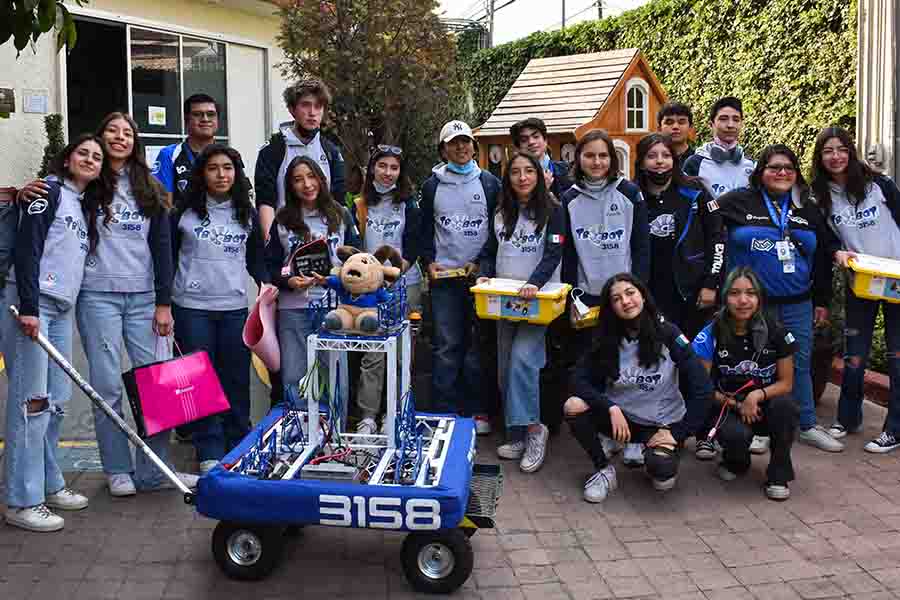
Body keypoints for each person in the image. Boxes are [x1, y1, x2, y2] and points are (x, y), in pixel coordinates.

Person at [80, 112, 197, 496]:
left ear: (135, 142)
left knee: (158, 387)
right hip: (97, 297)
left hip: (145, 299)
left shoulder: (150, 186)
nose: (119, 137)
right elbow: (54, 197)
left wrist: (164, 303)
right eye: (111, 130)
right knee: (107, 385)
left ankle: (152, 471)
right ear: (100, 138)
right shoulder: (87, 185)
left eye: (127, 132)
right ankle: (117, 469)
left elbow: (163, 249)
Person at [2, 135, 107, 532]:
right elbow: (27, 249)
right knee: (31, 403)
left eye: (96, 157)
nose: (90, 160)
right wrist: (29, 308)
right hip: (32, 305)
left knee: (56, 401)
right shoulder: (48, 190)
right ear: (67, 159)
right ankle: (20, 499)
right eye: (83, 153)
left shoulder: (83, 205)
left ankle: (48, 482)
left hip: (60, 309)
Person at [714, 143, 842, 453]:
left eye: (788, 168)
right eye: (774, 167)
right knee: (757, 364)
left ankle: (808, 424)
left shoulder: (806, 208)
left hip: (799, 301)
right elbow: (706, 221)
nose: (781, 173)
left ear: (796, 174)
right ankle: (760, 428)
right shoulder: (737, 202)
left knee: (799, 362)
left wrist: (822, 300)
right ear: (761, 173)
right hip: (754, 304)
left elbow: (826, 254)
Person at [564, 274, 711, 502]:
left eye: (630, 293)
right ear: (611, 307)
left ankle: (660, 453)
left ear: (642, 295)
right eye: (616, 298)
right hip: (622, 420)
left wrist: (677, 433)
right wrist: (610, 407)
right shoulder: (605, 337)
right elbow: (577, 379)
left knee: (662, 474)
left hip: (661, 424)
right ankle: (604, 470)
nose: (625, 301)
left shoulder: (669, 334)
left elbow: (703, 389)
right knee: (573, 405)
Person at [172, 144, 269, 474]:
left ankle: (238, 442)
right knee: (199, 383)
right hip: (190, 308)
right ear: (202, 174)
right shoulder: (183, 213)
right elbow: (167, 258)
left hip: (233, 308)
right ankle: (208, 448)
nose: (221, 174)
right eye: (213, 168)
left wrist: (266, 284)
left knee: (236, 379)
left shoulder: (247, 213)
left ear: (236, 173)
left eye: (227, 168)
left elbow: (256, 259)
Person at [811, 126, 900, 453]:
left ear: (851, 151)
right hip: (860, 281)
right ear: (820, 158)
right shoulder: (820, 198)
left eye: (841, 149)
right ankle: (848, 418)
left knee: (897, 355)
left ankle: (895, 429)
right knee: (854, 356)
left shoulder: (879, 184)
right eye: (827, 151)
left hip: (897, 279)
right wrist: (836, 252)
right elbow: (825, 244)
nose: (835, 156)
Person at [476, 152, 565, 473]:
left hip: (537, 303)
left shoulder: (553, 209)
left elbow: (554, 251)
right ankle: (516, 432)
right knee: (504, 368)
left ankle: (534, 430)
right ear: (507, 177)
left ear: (539, 175)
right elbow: (490, 250)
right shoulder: (501, 211)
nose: (523, 177)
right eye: (516, 172)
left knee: (523, 361)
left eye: (529, 171)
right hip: (502, 301)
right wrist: (484, 273)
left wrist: (534, 283)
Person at [419, 120, 501, 433]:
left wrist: (483, 263)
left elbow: (499, 231)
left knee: (478, 345)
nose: (461, 147)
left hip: (480, 280)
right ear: (443, 149)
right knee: (446, 346)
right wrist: (428, 262)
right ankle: (444, 413)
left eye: (466, 142)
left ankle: (478, 410)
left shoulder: (490, 183)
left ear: (474, 147)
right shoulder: (432, 186)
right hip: (445, 281)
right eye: (454, 143)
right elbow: (424, 230)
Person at [692, 267, 800, 501]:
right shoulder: (710, 334)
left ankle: (779, 474)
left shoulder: (777, 331)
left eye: (750, 293)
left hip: (766, 403)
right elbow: (702, 389)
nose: (743, 300)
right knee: (735, 436)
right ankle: (735, 461)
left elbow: (786, 383)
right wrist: (737, 404)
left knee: (786, 408)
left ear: (759, 298)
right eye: (734, 293)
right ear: (724, 298)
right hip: (727, 405)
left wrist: (756, 396)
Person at [265, 156, 360, 409]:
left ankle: (334, 437)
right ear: (290, 186)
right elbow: (271, 267)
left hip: (333, 307)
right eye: (298, 179)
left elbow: (358, 260)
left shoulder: (341, 215)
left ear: (321, 178)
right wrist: (289, 281)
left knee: (334, 375)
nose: (307, 184)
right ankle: (300, 436)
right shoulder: (283, 220)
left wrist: (339, 278)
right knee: (295, 375)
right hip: (293, 308)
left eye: (311, 176)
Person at [350, 145, 421, 435]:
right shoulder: (359, 204)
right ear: (372, 169)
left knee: (404, 353)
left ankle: (396, 412)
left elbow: (417, 241)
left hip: (407, 285)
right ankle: (367, 415)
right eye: (382, 166)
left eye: (394, 167)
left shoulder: (409, 204)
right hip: (369, 288)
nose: (388, 173)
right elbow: (353, 245)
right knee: (373, 352)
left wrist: (399, 269)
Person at [634, 132, 724, 337]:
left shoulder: (695, 190)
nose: (659, 161)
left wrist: (712, 283)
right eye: (651, 156)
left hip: (692, 292)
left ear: (674, 161)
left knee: (693, 357)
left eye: (665, 155)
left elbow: (717, 237)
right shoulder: (631, 196)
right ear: (640, 162)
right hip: (649, 292)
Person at [255, 78, 345, 237]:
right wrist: (270, 243)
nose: (312, 112)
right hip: (285, 238)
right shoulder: (272, 150)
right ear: (292, 109)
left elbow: (338, 202)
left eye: (318, 106)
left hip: (324, 237)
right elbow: (265, 202)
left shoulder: (331, 151)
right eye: (305, 105)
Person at [152, 93, 220, 206]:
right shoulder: (169, 155)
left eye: (211, 114)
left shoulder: (229, 156)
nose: (205, 119)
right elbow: (164, 206)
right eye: (198, 114)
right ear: (186, 120)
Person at [683, 97, 756, 198]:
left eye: (736, 120)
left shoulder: (752, 165)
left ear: (741, 124)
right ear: (711, 124)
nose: (730, 125)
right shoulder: (694, 164)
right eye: (723, 119)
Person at [509, 117, 572, 198]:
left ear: (545, 140)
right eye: (524, 140)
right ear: (518, 148)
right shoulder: (513, 178)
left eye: (536, 136)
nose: (531, 142)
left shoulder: (566, 170)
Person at [656, 102, 696, 169]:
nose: (675, 127)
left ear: (690, 128)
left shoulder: (699, 161)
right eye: (669, 122)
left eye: (681, 122)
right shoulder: (652, 161)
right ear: (659, 129)